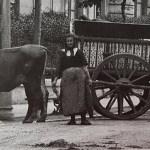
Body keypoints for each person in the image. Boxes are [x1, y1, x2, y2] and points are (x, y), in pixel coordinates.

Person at [52, 33, 93, 125]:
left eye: (71, 41)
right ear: (65, 42)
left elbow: (84, 66)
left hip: (79, 78)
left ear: (74, 41)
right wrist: (55, 79)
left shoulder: (78, 52)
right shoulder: (62, 53)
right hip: (67, 79)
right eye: (68, 41)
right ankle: (72, 119)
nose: (69, 42)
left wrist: (88, 78)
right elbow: (58, 67)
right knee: (69, 98)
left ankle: (83, 119)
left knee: (81, 97)